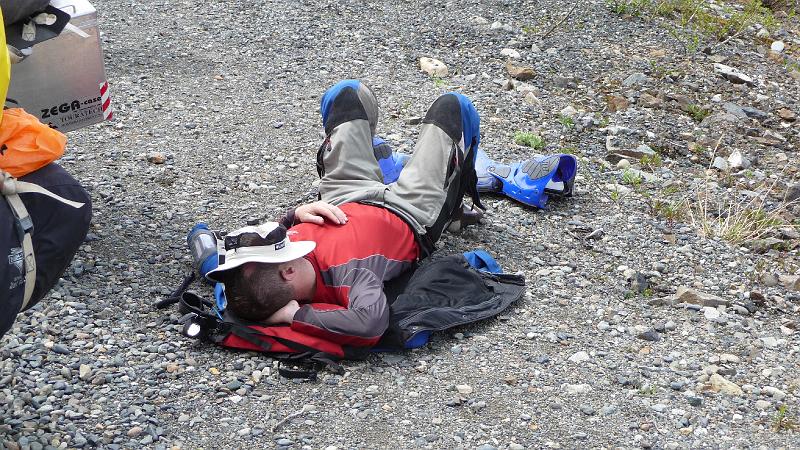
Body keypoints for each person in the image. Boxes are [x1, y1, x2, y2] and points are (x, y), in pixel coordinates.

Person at [207, 80, 483, 348]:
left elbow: (229, 246)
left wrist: (295, 215)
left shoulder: (268, 269)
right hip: (409, 210)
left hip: (344, 196)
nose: (283, 235)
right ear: (289, 271)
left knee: (347, 94)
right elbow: (370, 324)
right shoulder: (350, 277)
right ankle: (452, 210)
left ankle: (373, 157)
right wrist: (294, 316)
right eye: (281, 243)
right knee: (453, 107)